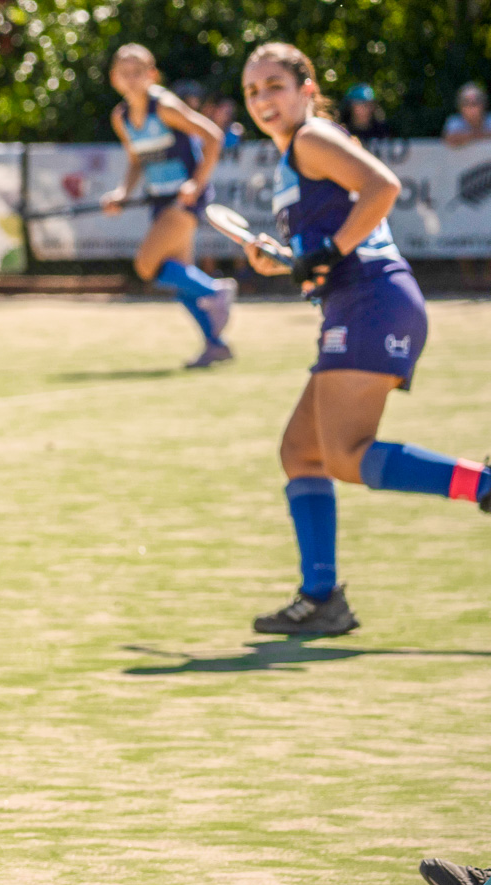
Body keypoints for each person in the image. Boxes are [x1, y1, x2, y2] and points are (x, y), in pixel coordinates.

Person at [239, 42, 486, 636]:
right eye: (252, 91)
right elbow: (327, 246)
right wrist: (285, 262)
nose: (263, 100)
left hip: (373, 301)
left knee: (346, 456)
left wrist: (328, 252)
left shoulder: (310, 138)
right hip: (361, 302)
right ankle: (321, 599)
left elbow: (383, 188)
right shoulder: (291, 158)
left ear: (305, 88)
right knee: (302, 452)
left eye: (274, 85)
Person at [103, 44, 236, 369]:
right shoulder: (121, 117)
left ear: (152, 75)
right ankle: (215, 344)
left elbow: (214, 137)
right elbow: (136, 160)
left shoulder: (164, 106)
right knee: (177, 279)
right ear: (114, 78)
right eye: (125, 73)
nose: (132, 80)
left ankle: (215, 291)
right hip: (160, 202)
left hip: (184, 199)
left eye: (139, 73)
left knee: (146, 266)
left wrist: (195, 183)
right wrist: (122, 192)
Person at [443, 82, 491, 147]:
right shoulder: (454, 121)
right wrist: (482, 135)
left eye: (475, 103)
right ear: (460, 107)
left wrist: (465, 137)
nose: (471, 108)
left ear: (483, 105)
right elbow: (450, 138)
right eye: (466, 103)